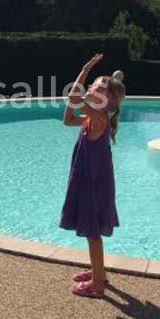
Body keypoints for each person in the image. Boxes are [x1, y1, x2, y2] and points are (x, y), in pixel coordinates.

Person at [59, 53, 126, 298]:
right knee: (91, 231)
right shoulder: (90, 117)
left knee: (92, 232)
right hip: (89, 180)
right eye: (94, 83)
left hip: (94, 185)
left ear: (108, 101)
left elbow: (74, 96)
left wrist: (86, 68)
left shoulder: (98, 117)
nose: (93, 86)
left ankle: (98, 285)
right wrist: (85, 77)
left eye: (100, 86)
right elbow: (67, 119)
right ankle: (100, 273)